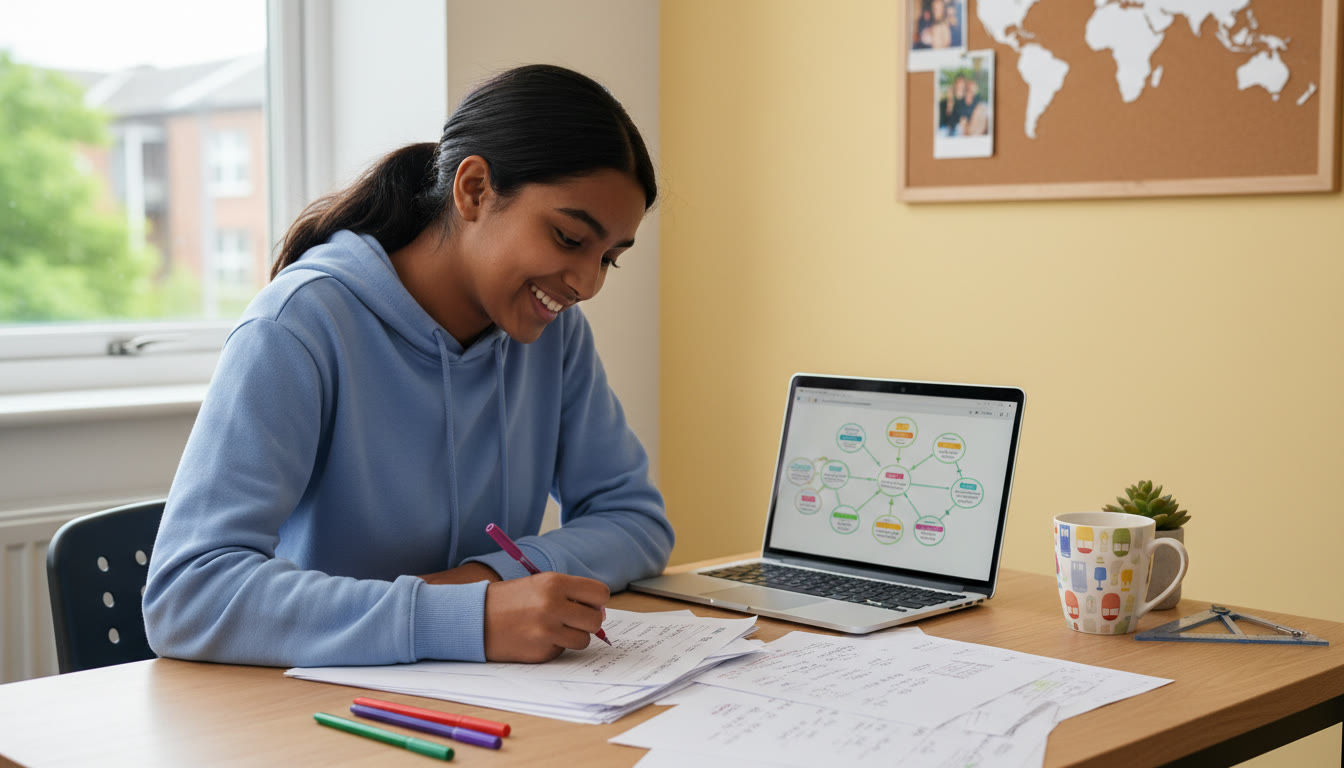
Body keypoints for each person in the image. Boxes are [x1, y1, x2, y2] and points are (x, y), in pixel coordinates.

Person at [143, 64, 675, 668]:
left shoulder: (555, 335)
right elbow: (186, 595)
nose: (587, 283)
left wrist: (487, 579)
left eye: (611, 258)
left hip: (496, 703)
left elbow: (635, 520)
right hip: (316, 711)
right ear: (473, 189)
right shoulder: (298, 327)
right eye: (567, 238)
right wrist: (464, 615)